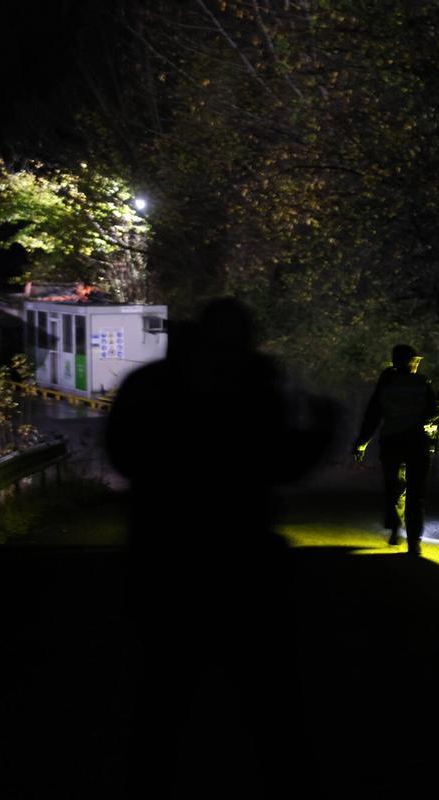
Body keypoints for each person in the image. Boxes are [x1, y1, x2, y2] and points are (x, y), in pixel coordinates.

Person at [107, 297, 334, 795]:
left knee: (164, 698)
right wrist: (321, 433)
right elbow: (278, 464)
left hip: (165, 563)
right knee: (272, 706)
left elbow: (122, 456)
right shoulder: (252, 387)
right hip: (244, 566)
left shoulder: (150, 387)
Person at [353, 344, 439, 556]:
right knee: (416, 493)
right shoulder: (421, 382)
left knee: (393, 488)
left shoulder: (386, 383)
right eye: (415, 361)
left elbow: (373, 415)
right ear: (408, 362)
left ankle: (394, 527)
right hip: (416, 442)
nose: (418, 365)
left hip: (392, 441)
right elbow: (433, 412)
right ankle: (413, 542)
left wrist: (362, 442)